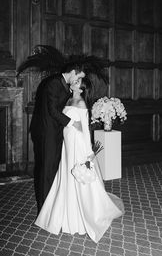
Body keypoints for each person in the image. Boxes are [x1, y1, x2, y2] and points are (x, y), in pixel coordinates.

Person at [35, 77, 124, 243]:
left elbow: (84, 129)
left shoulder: (81, 103)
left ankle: (83, 215)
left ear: (81, 89)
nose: (73, 83)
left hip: (77, 144)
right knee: (66, 175)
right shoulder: (69, 99)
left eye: (77, 83)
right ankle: (65, 213)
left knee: (78, 178)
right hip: (67, 144)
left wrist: (89, 152)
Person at [30, 62, 86, 214]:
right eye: (78, 77)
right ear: (73, 72)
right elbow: (53, 111)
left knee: (53, 168)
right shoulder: (53, 83)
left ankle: (51, 205)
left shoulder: (62, 84)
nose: (77, 82)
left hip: (54, 132)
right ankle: (44, 210)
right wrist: (74, 123)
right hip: (46, 132)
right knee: (47, 170)